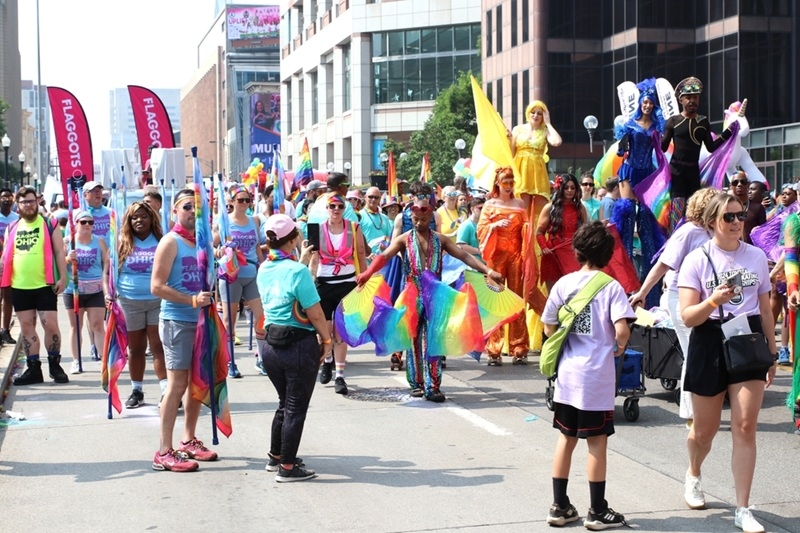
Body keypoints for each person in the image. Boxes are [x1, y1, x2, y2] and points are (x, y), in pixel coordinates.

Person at [678, 192, 776, 533]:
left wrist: (772, 352)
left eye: (740, 215)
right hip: (709, 339)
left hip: (747, 338)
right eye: (728, 217)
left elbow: (765, 309)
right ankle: (694, 472)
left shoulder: (756, 256)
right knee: (704, 431)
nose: (737, 222)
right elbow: (687, 316)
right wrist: (713, 300)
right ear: (711, 223)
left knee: (745, 426)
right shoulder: (696, 259)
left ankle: (743, 508)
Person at [356, 195, 503, 402]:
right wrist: (367, 273)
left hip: (435, 296)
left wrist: (488, 270)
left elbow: (464, 255)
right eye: (415, 219)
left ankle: (433, 386)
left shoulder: (440, 240)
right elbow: (384, 256)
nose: (419, 223)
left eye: (423, 220)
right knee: (414, 339)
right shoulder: (403, 239)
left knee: (434, 339)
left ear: (431, 218)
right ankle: (416, 383)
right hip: (412, 294)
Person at [542, 221, 636, 530]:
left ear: (577, 250)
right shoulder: (611, 287)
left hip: (567, 376)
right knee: (596, 442)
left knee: (566, 438)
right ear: (608, 254)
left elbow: (549, 326)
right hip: (596, 378)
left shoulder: (563, 284)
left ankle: (559, 506)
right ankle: (597, 510)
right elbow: (622, 330)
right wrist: (619, 346)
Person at [628, 188, 717, 420]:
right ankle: (690, 411)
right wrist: (643, 292)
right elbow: (662, 264)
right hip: (680, 296)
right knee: (693, 351)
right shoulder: (688, 231)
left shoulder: (711, 232)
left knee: (698, 352)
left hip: (703, 299)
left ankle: (697, 408)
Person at [257, 214, 331, 482]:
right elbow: (316, 314)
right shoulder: (298, 272)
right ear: (292, 240)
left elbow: (286, 283)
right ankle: (287, 467)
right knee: (295, 407)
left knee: (284, 403)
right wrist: (327, 341)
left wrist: (303, 261)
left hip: (271, 347)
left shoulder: (265, 268)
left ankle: (276, 456)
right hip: (298, 345)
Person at [151, 189, 218, 472]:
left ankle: (188, 440)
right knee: (177, 384)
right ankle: (163, 451)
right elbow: (156, 286)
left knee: (197, 382)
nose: (193, 212)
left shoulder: (203, 242)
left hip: (202, 321)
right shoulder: (170, 241)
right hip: (177, 322)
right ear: (175, 211)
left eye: (198, 207)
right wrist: (191, 300)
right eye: (187, 207)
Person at [2, 186, 69, 385]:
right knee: (26, 326)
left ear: (37, 202)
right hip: (20, 285)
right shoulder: (12, 227)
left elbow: (59, 251)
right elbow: (6, 255)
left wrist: (63, 277)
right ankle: (33, 368)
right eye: (24, 202)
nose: (28, 205)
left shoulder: (49, 223)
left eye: (31, 201)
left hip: (44, 284)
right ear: (18, 204)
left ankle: (55, 365)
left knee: (50, 324)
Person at [308, 194, 367, 395]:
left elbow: (360, 254)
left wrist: (364, 279)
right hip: (324, 284)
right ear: (327, 208)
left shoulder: (354, 227)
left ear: (344, 209)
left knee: (340, 332)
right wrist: (309, 282)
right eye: (332, 206)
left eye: (340, 206)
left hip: (346, 284)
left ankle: (340, 376)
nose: (336, 210)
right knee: (325, 331)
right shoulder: (317, 229)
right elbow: (314, 259)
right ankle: (328, 361)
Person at [661, 77, 738, 223]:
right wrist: (654, 137)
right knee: (678, 208)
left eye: (695, 97)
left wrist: (728, 132)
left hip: (693, 172)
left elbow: (711, 147)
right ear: (681, 100)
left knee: (695, 210)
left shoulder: (703, 121)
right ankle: (674, 236)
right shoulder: (673, 121)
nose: (692, 101)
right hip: (676, 172)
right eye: (688, 98)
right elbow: (663, 147)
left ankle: (694, 235)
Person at [476, 168, 530, 364]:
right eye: (504, 182)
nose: (508, 186)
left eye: (511, 182)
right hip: (496, 258)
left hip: (516, 257)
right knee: (496, 301)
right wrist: (494, 226)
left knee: (516, 300)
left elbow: (526, 232)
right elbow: (480, 230)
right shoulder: (489, 205)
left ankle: (519, 347)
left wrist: (527, 229)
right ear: (497, 183)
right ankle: (494, 349)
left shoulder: (519, 204)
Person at [116, 201, 166, 408]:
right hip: (129, 302)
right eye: (134, 217)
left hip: (157, 301)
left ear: (151, 219)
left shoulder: (162, 241)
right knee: (135, 348)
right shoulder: (122, 242)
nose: (139, 220)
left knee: (158, 346)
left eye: (144, 216)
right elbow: (110, 271)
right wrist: (109, 293)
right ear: (128, 221)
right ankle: (137, 391)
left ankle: (166, 391)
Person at [213, 184, 266, 376]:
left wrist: (263, 267)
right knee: (229, 321)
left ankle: (261, 359)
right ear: (232, 202)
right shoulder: (224, 221)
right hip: (231, 275)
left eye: (247, 200)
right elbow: (211, 245)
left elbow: (258, 247)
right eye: (240, 200)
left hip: (251, 273)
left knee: (261, 317)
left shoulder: (254, 221)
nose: (244, 203)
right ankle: (229, 362)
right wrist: (219, 252)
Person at [63, 210, 109, 374]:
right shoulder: (68, 241)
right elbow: (58, 263)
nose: (87, 225)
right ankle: (76, 361)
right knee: (76, 326)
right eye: (83, 222)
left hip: (95, 290)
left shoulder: (99, 241)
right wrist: (67, 259)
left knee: (97, 325)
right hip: (73, 290)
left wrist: (107, 285)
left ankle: (104, 361)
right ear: (76, 224)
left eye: (90, 222)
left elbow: (106, 264)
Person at [536, 174, 588, 292]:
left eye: (572, 188)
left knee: (573, 293)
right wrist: (544, 247)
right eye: (566, 187)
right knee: (554, 294)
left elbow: (585, 232)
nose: (569, 190)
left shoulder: (580, 208)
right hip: (553, 256)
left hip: (573, 255)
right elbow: (539, 232)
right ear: (560, 188)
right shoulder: (549, 207)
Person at [511, 100, 563, 217]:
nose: (535, 116)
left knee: (541, 210)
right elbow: (511, 152)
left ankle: (538, 229)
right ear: (528, 113)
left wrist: (548, 123)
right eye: (533, 112)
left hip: (538, 174)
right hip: (520, 172)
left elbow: (557, 142)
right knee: (522, 208)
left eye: (540, 113)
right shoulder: (517, 129)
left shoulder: (545, 131)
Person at [82, 180, 112, 361]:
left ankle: (109, 342)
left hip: (109, 263)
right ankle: (94, 344)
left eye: (99, 190)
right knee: (91, 311)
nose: (97, 194)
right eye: (93, 191)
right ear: (85, 195)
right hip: (88, 265)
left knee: (108, 306)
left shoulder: (110, 213)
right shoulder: (80, 214)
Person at [0, 187, 20, 344]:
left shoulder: (17, 218)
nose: (7, 199)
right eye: (3, 197)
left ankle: (5, 330)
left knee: (8, 297)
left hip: (11, 263)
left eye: (9, 197)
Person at [728, 171, 766, 244]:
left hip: (752, 248)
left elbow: (763, 233)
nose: (739, 184)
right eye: (735, 182)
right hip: (730, 247)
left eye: (743, 182)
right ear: (731, 186)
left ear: (748, 184)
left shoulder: (758, 208)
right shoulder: (725, 207)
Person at [360, 186, 393, 262]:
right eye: (370, 197)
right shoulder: (359, 216)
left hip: (383, 260)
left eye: (376, 197)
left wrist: (385, 247)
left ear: (380, 199)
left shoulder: (384, 217)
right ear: (365, 197)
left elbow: (390, 238)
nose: (373, 199)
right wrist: (366, 255)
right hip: (366, 261)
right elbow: (356, 241)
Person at [456, 196, 486, 264]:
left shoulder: (484, 224)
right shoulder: (466, 225)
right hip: (471, 265)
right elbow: (461, 246)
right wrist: (478, 251)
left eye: (485, 208)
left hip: (484, 264)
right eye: (480, 208)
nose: (483, 211)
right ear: (472, 209)